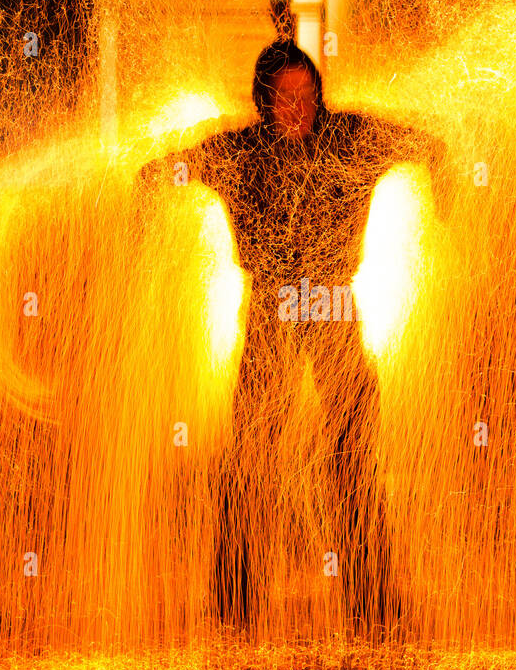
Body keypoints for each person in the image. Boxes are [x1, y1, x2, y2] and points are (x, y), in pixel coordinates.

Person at [138, 39, 448, 639]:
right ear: (263, 103)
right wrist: (146, 188)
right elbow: (167, 169)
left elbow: (427, 144)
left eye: (307, 96)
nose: (298, 110)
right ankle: (233, 609)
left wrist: (447, 182)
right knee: (250, 459)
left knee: (354, 456)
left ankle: (375, 607)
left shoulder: (351, 138)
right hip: (274, 304)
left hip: (331, 302)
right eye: (285, 100)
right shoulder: (238, 151)